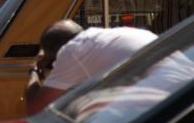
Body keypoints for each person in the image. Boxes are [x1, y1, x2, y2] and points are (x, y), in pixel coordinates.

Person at [25, 20, 158, 114]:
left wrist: (34, 71)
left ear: (55, 55)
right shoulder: (117, 35)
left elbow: (35, 108)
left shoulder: (73, 50)